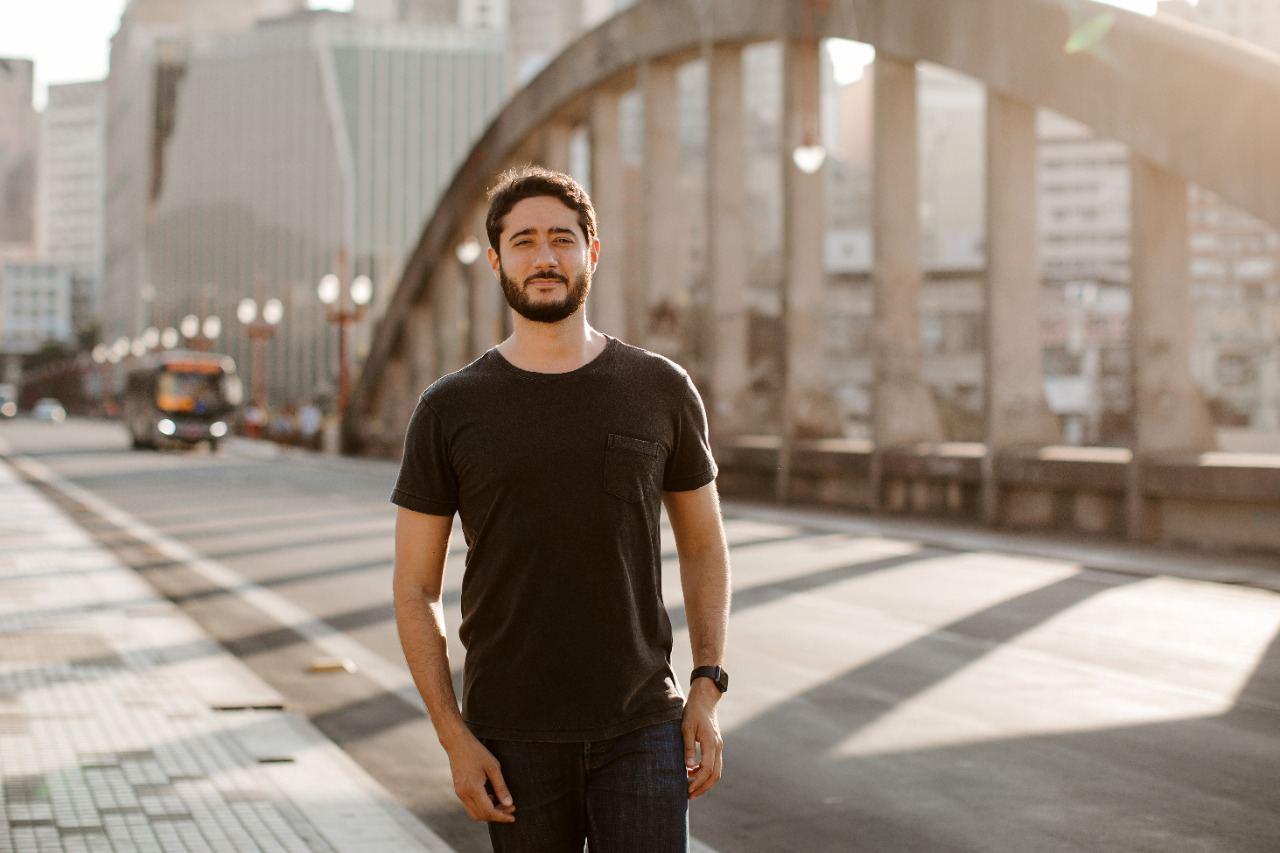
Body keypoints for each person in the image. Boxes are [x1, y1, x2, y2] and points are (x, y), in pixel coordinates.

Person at [391, 165, 732, 852]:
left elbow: (703, 546)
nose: (544, 257)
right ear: (496, 260)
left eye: (562, 239)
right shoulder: (449, 408)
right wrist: (454, 736)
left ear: (592, 251)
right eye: (522, 241)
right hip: (512, 734)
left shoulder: (658, 388)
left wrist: (706, 686)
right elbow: (415, 585)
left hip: (642, 723)